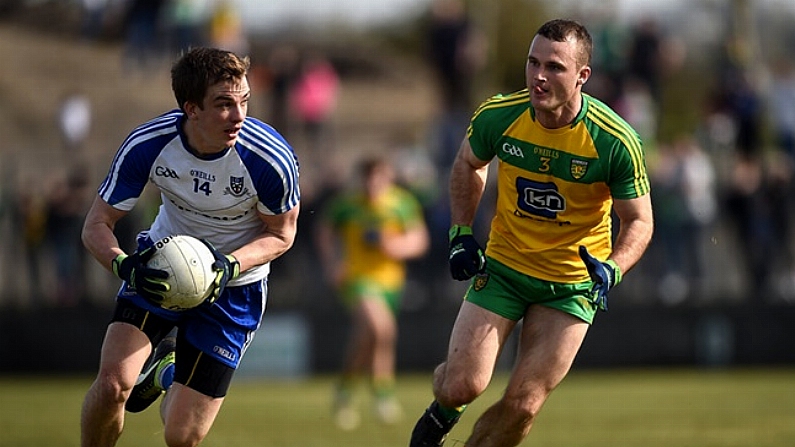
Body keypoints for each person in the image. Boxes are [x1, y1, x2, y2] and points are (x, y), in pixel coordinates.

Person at [408, 19, 653, 447]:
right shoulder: (500, 114)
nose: (539, 76)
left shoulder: (615, 140)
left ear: (582, 76)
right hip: (504, 267)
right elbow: (469, 163)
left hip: (571, 285)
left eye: (555, 67)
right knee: (461, 386)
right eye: (532, 62)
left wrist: (612, 269)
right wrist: (461, 233)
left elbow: (639, 221)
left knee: (524, 404)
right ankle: (443, 408)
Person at [80, 47, 300, 447]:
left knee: (181, 436)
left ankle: (166, 372)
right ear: (191, 108)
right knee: (114, 384)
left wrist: (228, 266)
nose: (239, 116)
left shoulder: (270, 159)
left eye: (244, 101)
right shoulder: (148, 145)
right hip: (161, 269)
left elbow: (282, 234)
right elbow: (96, 225)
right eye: (224, 104)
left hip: (235, 287)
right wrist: (124, 267)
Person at [316, 156, 429, 430]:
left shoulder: (401, 203)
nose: (373, 184)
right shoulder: (346, 205)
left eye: (379, 178)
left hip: (391, 281)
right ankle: (383, 396)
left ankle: (344, 392)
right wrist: (332, 262)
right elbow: (325, 230)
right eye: (368, 178)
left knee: (368, 338)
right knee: (381, 330)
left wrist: (396, 247)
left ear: (388, 178)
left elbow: (419, 240)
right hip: (357, 279)